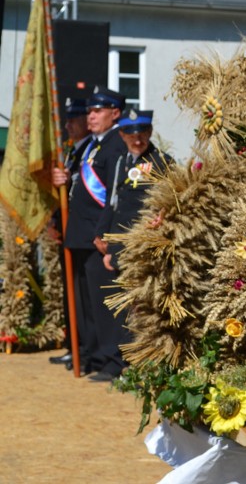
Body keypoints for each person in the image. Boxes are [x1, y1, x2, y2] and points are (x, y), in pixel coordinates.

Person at [91, 108, 173, 381]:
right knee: (117, 305)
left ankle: (138, 364)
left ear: (149, 133)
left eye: (142, 134)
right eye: (130, 134)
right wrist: (102, 234)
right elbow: (113, 201)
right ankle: (116, 361)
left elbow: (170, 203)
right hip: (118, 243)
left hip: (142, 245)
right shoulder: (121, 161)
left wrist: (162, 219)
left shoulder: (162, 161)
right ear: (122, 134)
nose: (137, 139)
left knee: (140, 306)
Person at [52, 87, 127, 378]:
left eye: (97, 111)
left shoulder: (116, 145)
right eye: (90, 112)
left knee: (104, 303)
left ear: (115, 113)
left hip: (98, 237)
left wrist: (104, 234)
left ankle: (111, 360)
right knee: (87, 304)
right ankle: (95, 355)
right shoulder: (96, 145)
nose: (90, 116)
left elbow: (113, 197)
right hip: (82, 233)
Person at [49, 98, 93, 368]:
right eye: (66, 120)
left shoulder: (90, 150)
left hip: (84, 232)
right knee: (71, 295)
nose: (67, 125)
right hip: (70, 231)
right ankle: (74, 346)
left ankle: (84, 350)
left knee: (84, 299)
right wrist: (56, 222)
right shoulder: (73, 151)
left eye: (73, 120)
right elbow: (66, 194)